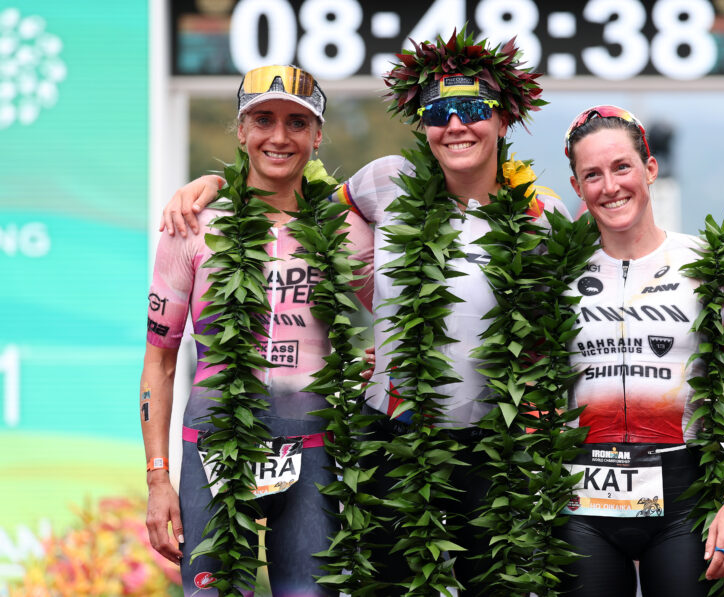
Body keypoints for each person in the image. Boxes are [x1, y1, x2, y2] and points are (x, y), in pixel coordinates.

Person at [158, 32, 569, 594]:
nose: (455, 125)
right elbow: (302, 202)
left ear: (504, 119)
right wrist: (214, 184)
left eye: (473, 110)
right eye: (438, 113)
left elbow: (557, 334)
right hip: (392, 437)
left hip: (492, 448)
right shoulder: (385, 181)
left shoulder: (543, 217)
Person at [141, 65, 373, 596]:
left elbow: (402, 316)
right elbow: (160, 362)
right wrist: (157, 478)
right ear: (241, 129)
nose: (279, 136)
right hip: (213, 449)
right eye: (263, 119)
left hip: (314, 450)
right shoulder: (192, 227)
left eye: (297, 123)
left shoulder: (343, 229)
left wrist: (380, 359)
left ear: (317, 136)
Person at [559, 105, 724, 596]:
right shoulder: (556, 272)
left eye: (622, 167)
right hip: (582, 504)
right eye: (592, 174)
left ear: (650, 169)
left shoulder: (713, 265)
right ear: (577, 187)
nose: (610, 186)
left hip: (682, 499)